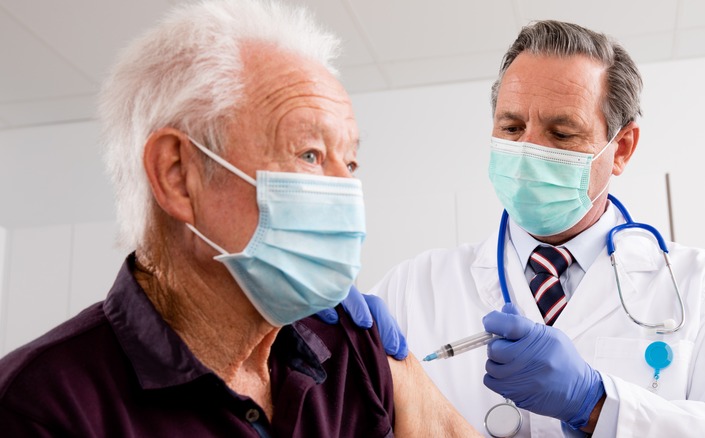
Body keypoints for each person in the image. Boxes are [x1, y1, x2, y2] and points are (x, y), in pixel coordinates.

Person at [0, 0, 478, 436]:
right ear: (178, 175)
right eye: (310, 155)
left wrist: (405, 368)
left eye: (349, 163)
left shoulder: (348, 350)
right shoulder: (41, 409)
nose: (346, 190)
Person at [370, 20, 705, 437]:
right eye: (511, 128)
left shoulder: (699, 286)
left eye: (561, 133)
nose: (527, 152)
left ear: (621, 149)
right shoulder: (412, 287)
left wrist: (596, 403)